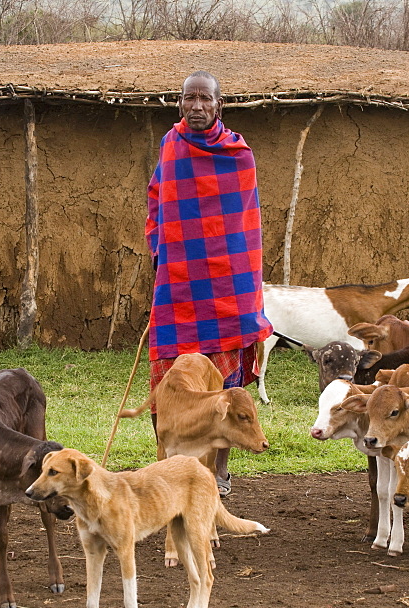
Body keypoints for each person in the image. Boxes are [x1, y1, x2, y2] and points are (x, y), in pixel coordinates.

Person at [145, 70, 273, 497]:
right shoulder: (171, 146)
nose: (196, 106)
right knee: (170, 380)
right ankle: (173, 461)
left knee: (225, 383)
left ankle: (218, 470)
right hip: (179, 284)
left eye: (205, 99)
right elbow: (157, 201)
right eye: (189, 99)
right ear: (179, 103)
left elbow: (244, 228)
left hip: (227, 286)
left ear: (220, 106)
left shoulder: (239, 156)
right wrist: (159, 250)